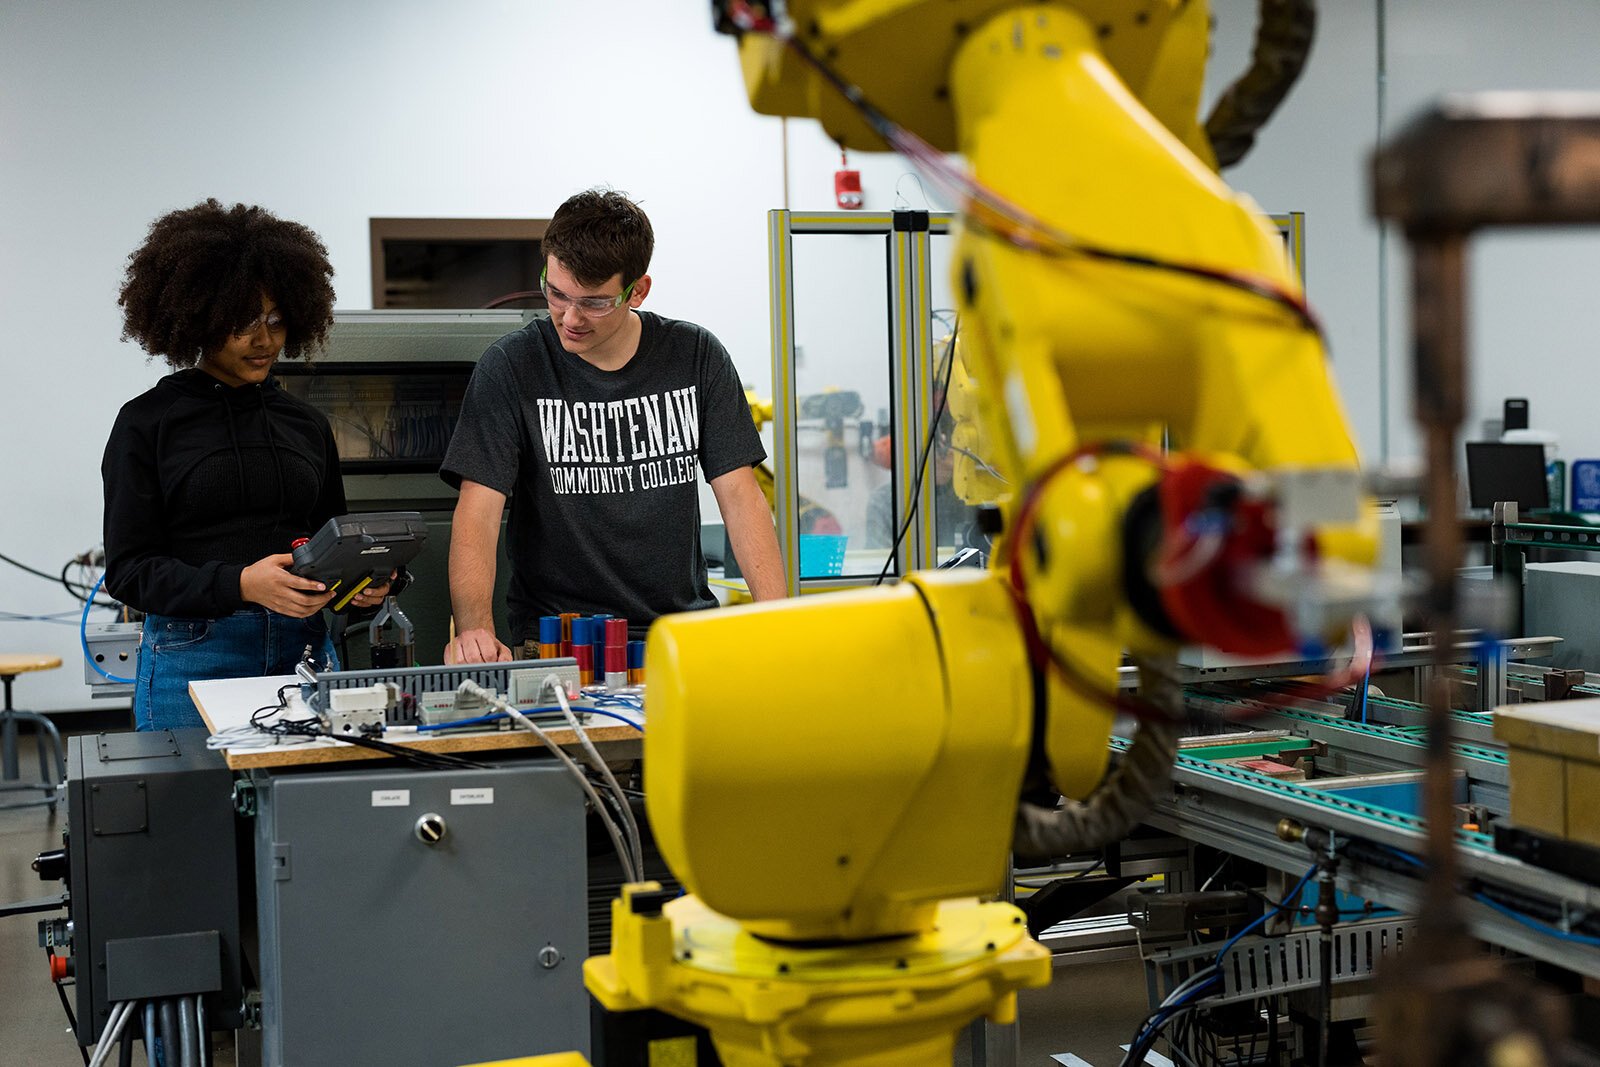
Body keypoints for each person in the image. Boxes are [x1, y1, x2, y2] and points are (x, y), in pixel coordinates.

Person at [441, 188, 784, 663]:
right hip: (558, 645)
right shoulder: (512, 367)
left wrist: (780, 621)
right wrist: (475, 630)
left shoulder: (696, 356)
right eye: (557, 293)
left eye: (595, 303)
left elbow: (741, 498)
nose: (570, 317)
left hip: (679, 638)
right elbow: (478, 512)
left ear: (637, 290)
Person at [103, 200, 389, 731]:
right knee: (196, 814)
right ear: (198, 319)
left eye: (277, 320)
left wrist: (363, 590)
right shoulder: (148, 423)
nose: (264, 341)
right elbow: (129, 571)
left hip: (303, 654)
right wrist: (241, 584)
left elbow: (330, 543)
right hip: (191, 657)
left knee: (302, 810)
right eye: (243, 323)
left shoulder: (305, 424)